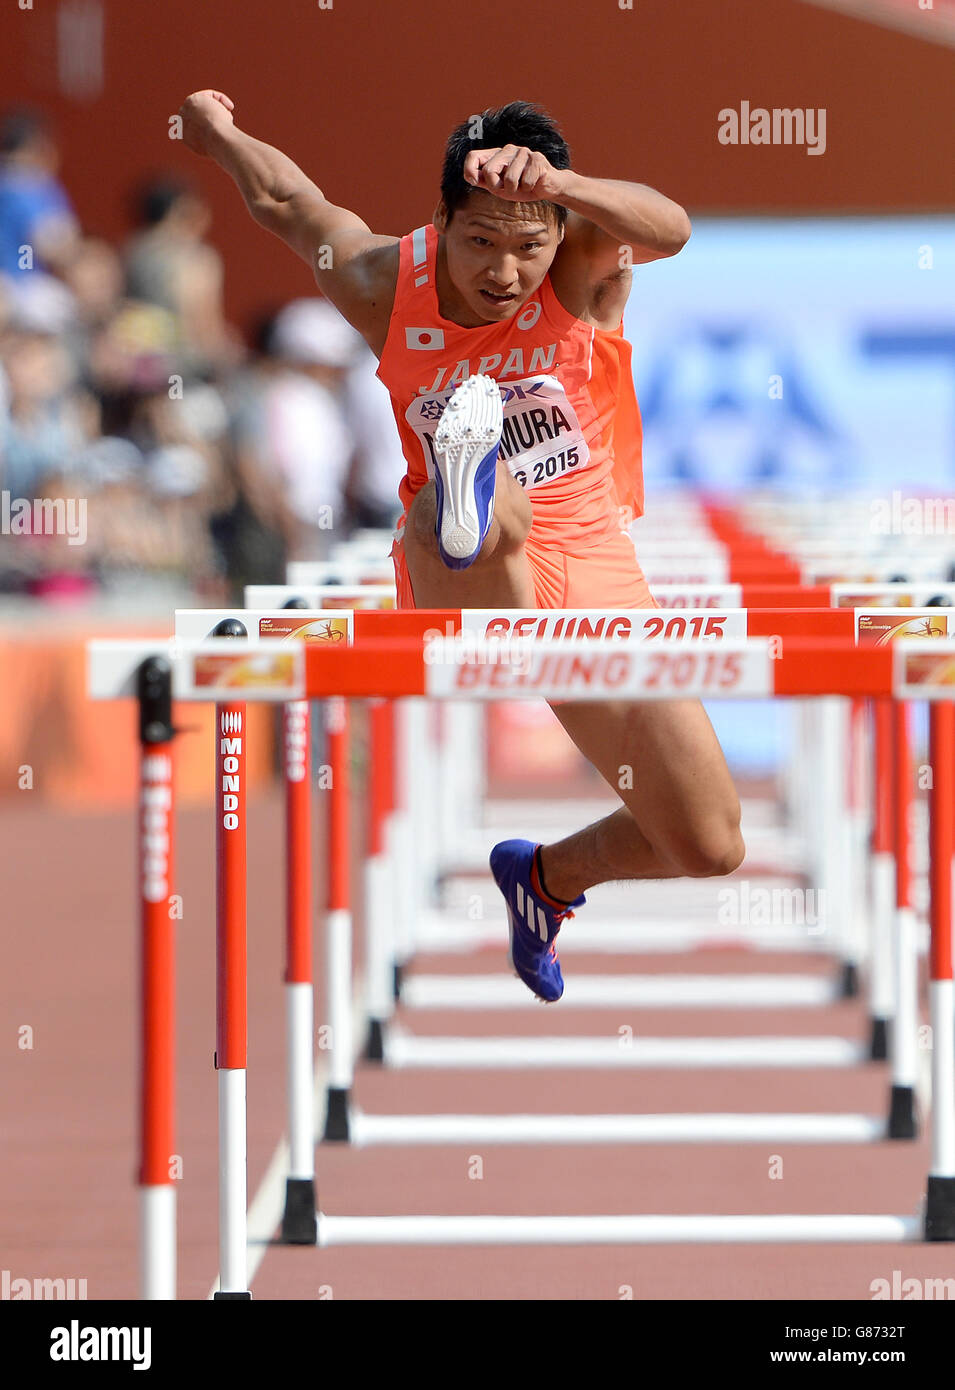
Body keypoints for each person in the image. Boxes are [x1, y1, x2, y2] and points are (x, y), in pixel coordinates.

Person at [180, 89, 745, 1002]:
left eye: (529, 245)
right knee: (492, 526)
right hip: (450, 560)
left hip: (595, 566)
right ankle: (468, 478)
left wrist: (561, 184)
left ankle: (544, 880)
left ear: (560, 234)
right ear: (439, 222)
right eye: (480, 242)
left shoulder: (585, 262)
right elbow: (287, 201)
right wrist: (219, 134)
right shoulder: (377, 282)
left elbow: (671, 226)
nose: (504, 272)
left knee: (709, 842)